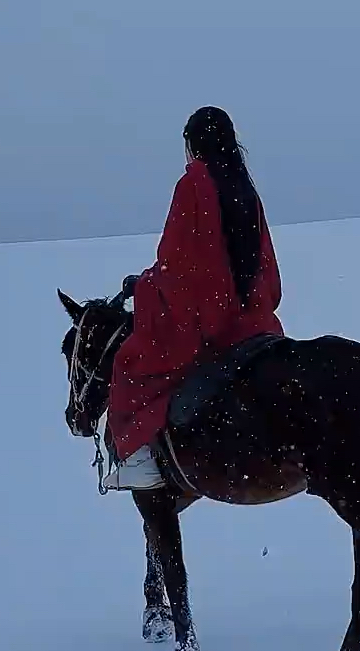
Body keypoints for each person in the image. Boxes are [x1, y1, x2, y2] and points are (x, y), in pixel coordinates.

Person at [104, 106, 284, 490]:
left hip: (211, 320)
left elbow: (180, 262)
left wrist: (145, 286)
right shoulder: (244, 187)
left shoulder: (194, 184)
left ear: (192, 144)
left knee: (129, 365)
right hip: (252, 320)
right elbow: (263, 263)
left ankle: (140, 461)